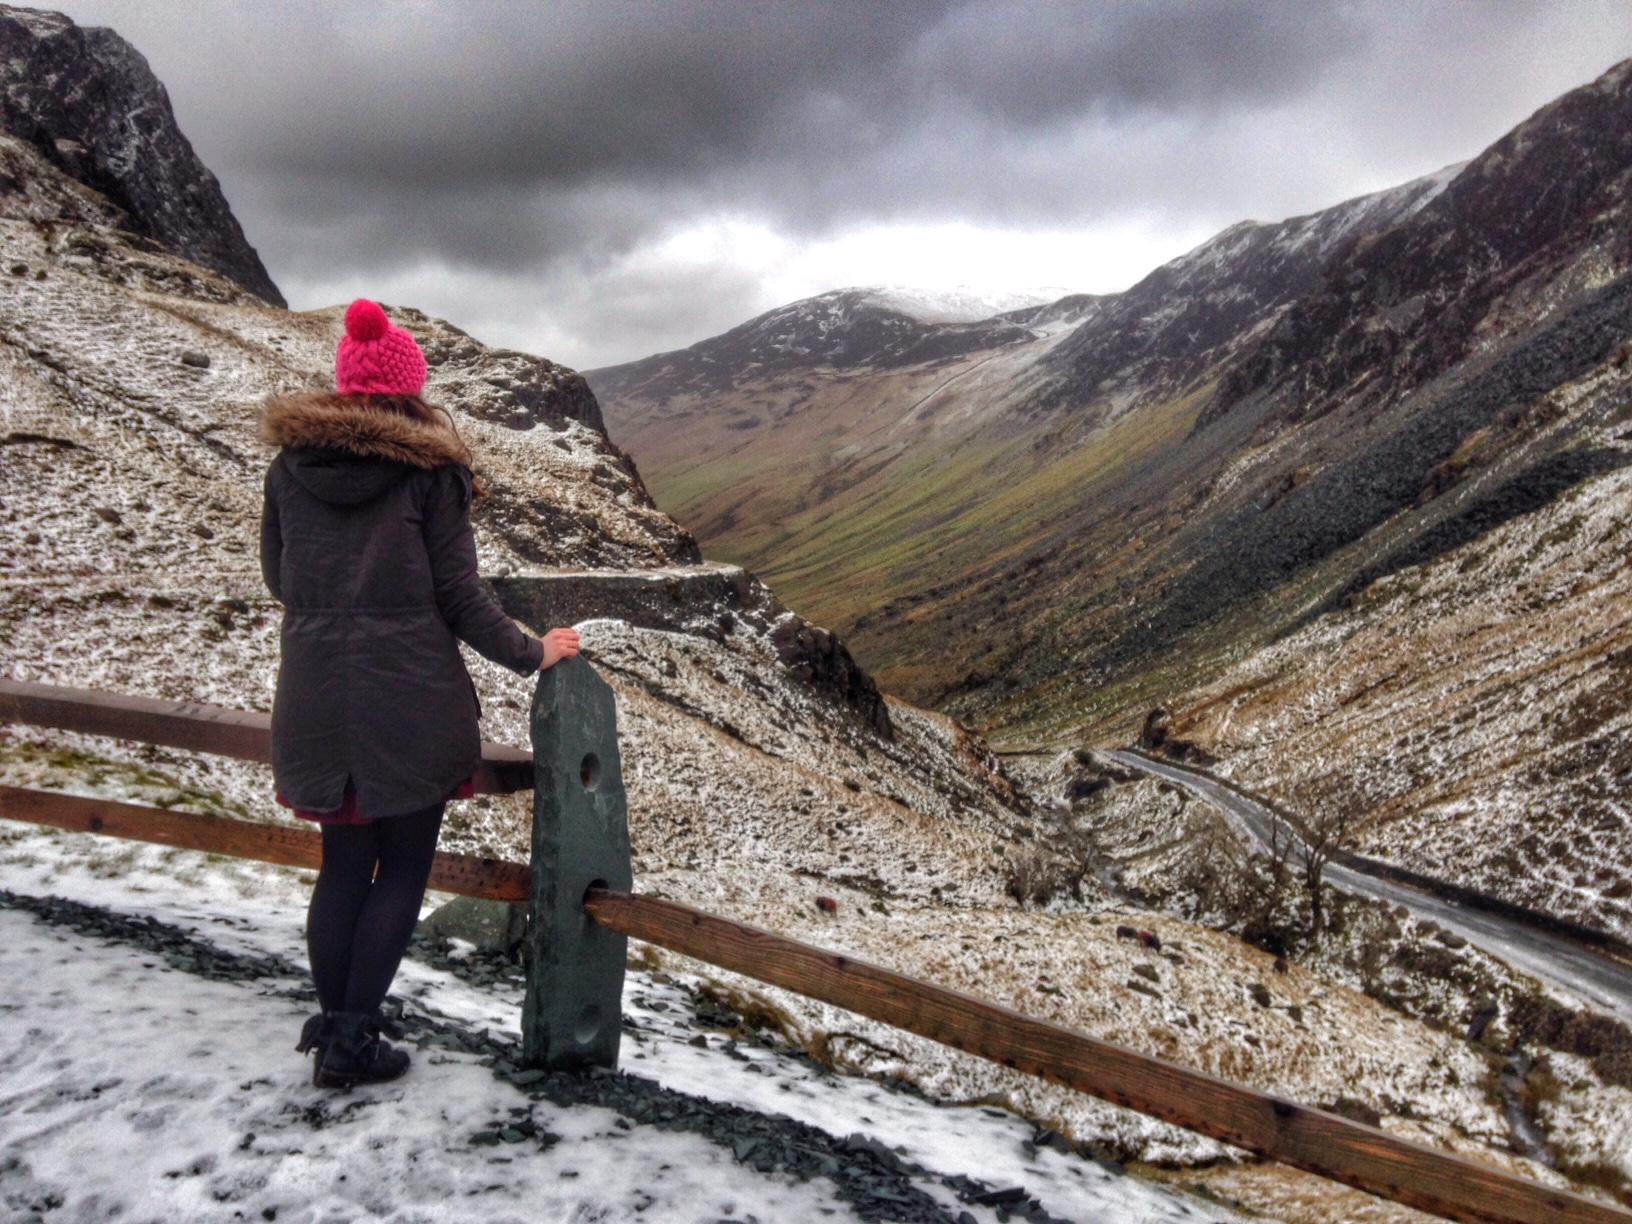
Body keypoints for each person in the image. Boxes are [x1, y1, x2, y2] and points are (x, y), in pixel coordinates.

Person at [259, 298, 579, 1089]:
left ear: (342, 389)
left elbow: (278, 577)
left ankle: (339, 1028)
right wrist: (534, 653)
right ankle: (353, 1040)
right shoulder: (431, 473)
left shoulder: (289, 467)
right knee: (401, 868)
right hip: (407, 696)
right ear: (410, 392)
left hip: (313, 693)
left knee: (341, 868)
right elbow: (460, 598)